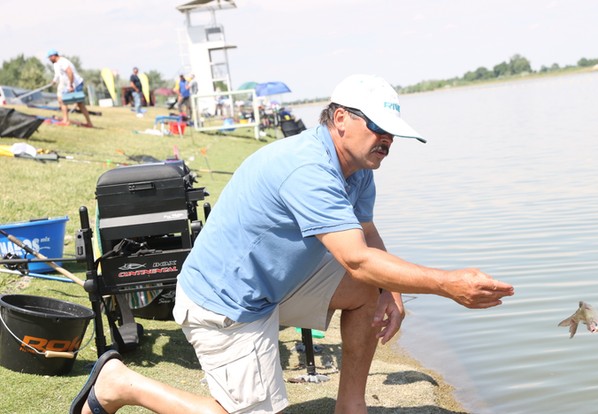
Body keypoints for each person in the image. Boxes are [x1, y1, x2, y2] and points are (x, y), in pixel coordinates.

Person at [70, 74, 515, 414]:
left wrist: (393, 293)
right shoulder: (307, 168)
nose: (388, 140)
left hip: (275, 287)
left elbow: (368, 236)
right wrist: (447, 284)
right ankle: (121, 384)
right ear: (340, 119)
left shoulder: (357, 169)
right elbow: (356, 259)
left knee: (368, 288)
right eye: (379, 127)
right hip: (226, 306)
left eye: (393, 131)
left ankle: (350, 406)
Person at [47, 49, 93, 127]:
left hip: (76, 84)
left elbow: (70, 72)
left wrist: (70, 86)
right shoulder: (57, 63)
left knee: (79, 104)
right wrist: (54, 81)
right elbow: (59, 74)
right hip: (69, 84)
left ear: (53, 56)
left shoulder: (62, 62)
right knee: (61, 100)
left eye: (49, 57)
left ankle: (86, 123)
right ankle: (67, 120)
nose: (49, 59)